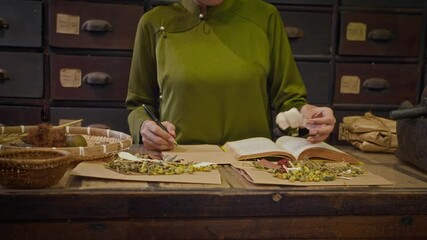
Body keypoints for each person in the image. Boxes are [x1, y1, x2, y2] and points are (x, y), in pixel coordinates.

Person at [126, 0, 336, 151]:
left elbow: (290, 99)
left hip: (254, 166)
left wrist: (310, 117)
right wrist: (146, 128)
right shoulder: (154, 23)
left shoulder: (264, 17)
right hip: (181, 165)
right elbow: (139, 105)